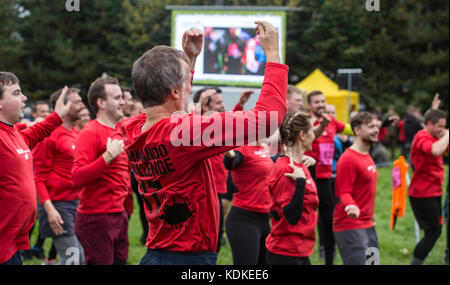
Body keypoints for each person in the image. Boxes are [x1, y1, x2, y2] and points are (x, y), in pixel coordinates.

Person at [121, 22, 287, 265]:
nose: (191, 84)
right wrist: (272, 54)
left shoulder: (134, 128)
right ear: (174, 91)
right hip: (188, 258)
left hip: (158, 253)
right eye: (185, 79)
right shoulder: (183, 134)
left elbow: (175, 108)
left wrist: (189, 59)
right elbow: (266, 121)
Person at [0, 71, 71, 265]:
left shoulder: (12, 131)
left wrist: (58, 115)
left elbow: (34, 134)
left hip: (12, 241)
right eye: (16, 93)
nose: (24, 98)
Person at [72, 76, 130, 265]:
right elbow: (77, 177)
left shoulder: (121, 129)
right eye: (117, 98)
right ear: (101, 102)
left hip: (119, 214)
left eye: (122, 97)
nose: (123, 102)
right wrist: (107, 157)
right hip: (96, 218)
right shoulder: (90, 133)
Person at [33, 88, 85, 265]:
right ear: (62, 106)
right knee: (73, 258)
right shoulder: (49, 134)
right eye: (77, 102)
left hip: (75, 204)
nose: (82, 106)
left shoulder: (76, 134)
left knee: (79, 257)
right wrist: (50, 210)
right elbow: (37, 176)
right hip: (57, 206)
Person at [265, 111, 318, 265]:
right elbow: (292, 216)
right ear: (302, 135)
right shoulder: (286, 169)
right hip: (285, 252)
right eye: (312, 131)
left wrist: (311, 170)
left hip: (300, 248)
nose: (315, 136)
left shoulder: (301, 165)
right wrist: (300, 182)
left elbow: (310, 199)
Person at [333, 112, 380, 265]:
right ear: (357, 130)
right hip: (350, 225)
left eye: (376, 126)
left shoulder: (366, 154)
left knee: (373, 264)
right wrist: (351, 205)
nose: (376, 130)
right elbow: (343, 192)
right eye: (371, 127)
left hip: (368, 224)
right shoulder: (348, 159)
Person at [304, 90, 346, 265]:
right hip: (307, 179)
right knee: (304, 224)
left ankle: (329, 260)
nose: (321, 104)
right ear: (309, 106)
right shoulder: (305, 121)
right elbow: (309, 135)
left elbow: (349, 128)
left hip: (326, 180)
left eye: (323, 101)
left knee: (330, 225)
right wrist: (321, 125)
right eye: (317, 102)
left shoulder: (331, 121)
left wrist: (379, 125)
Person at [408, 109, 449, 265]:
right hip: (422, 194)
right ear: (430, 124)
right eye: (440, 126)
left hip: (434, 192)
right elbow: (435, 150)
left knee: (433, 231)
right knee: (433, 232)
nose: (442, 129)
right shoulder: (422, 137)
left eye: (444, 126)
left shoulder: (433, 136)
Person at [223, 141, 273, 264]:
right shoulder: (242, 149)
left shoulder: (263, 146)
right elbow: (232, 162)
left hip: (264, 219)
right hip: (244, 220)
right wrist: (230, 156)